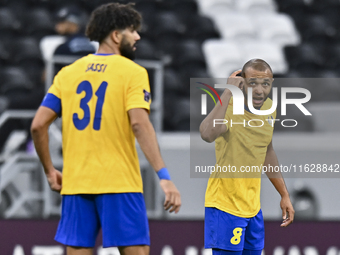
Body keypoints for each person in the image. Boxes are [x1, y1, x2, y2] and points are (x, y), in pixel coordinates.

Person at [31, 3, 181, 255]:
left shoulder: (68, 73)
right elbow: (139, 124)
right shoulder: (133, 72)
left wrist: (49, 170)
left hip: (76, 183)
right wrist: (164, 177)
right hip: (119, 182)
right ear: (115, 35)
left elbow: (37, 126)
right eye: (132, 31)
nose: (137, 37)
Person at [199, 59, 294, 255]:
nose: (259, 90)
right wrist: (227, 92)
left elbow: (267, 151)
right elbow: (207, 134)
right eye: (253, 83)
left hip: (253, 208)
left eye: (265, 84)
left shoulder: (269, 109)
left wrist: (284, 194)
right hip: (225, 206)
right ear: (242, 82)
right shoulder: (230, 107)